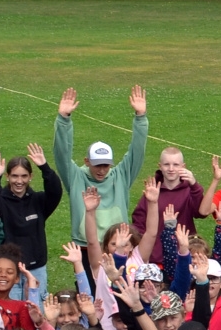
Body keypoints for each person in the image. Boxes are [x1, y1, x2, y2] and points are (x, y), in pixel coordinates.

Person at [51, 86, 148, 267]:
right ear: (87, 161)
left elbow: (137, 152)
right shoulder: (76, 177)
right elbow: (61, 154)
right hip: (86, 247)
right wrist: (63, 120)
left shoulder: (120, 175)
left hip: (118, 245)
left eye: (106, 165)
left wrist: (140, 117)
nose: (102, 170)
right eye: (97, 165)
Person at [0, 146, 64, 299]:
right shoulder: (0, 199)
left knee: (35, 312)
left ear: (30, 177)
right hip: (8, 269)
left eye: (24, 176)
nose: (19, 181)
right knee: (10, 314)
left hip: (36, 268)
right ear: (8, 176)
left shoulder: (39, 201)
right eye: (14, 176)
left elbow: (55, 191)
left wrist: (44, 167)